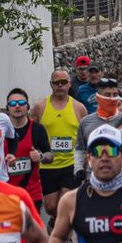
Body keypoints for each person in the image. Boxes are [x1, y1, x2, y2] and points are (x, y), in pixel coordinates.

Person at [33, 69, 82, 222]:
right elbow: (31, 131)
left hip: (70, 163)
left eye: (64, 82)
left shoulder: (79, 108)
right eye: (56, 82)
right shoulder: (40, 107)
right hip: (48, 164)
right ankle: (55, 221)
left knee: (66, 203)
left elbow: (84, 136)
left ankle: (64, 235)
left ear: (69, 84)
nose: (60, 85)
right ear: (51, 85)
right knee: (50, 206)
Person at [2, 88, 48, 209]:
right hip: (4, 194)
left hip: (31, 194)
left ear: (27, 106)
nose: (17, 106)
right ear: (7, 107)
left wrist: (41, 156)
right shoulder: (0, 130)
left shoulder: (37, 129)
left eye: (21, 103)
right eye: (12, 103)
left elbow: (50, 156)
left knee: (31, 228)